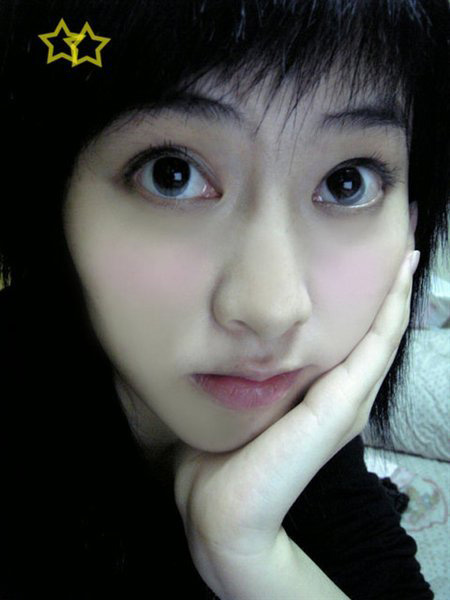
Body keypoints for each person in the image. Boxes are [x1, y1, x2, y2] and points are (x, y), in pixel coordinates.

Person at [0, 0, 448, 597]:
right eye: (172, 174)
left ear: (411, 222)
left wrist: (250, 555)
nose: (272, 311)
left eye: (347, 183)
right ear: (55, 199)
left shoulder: (303, 419)